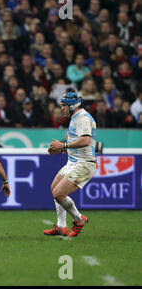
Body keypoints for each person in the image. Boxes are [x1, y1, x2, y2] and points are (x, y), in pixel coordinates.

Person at [46, 91, 97, 238]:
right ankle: (61, 226)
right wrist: (60, 148)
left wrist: (62, 147)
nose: (61, 108)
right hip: (73, 162)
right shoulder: (75, 117)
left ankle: (78, 219)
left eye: (63, 105)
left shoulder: (82, 118)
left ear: (71, 105)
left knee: (58, 193)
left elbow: (85, 141)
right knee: (54, 189)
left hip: (84, 164)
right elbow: (74, 142)